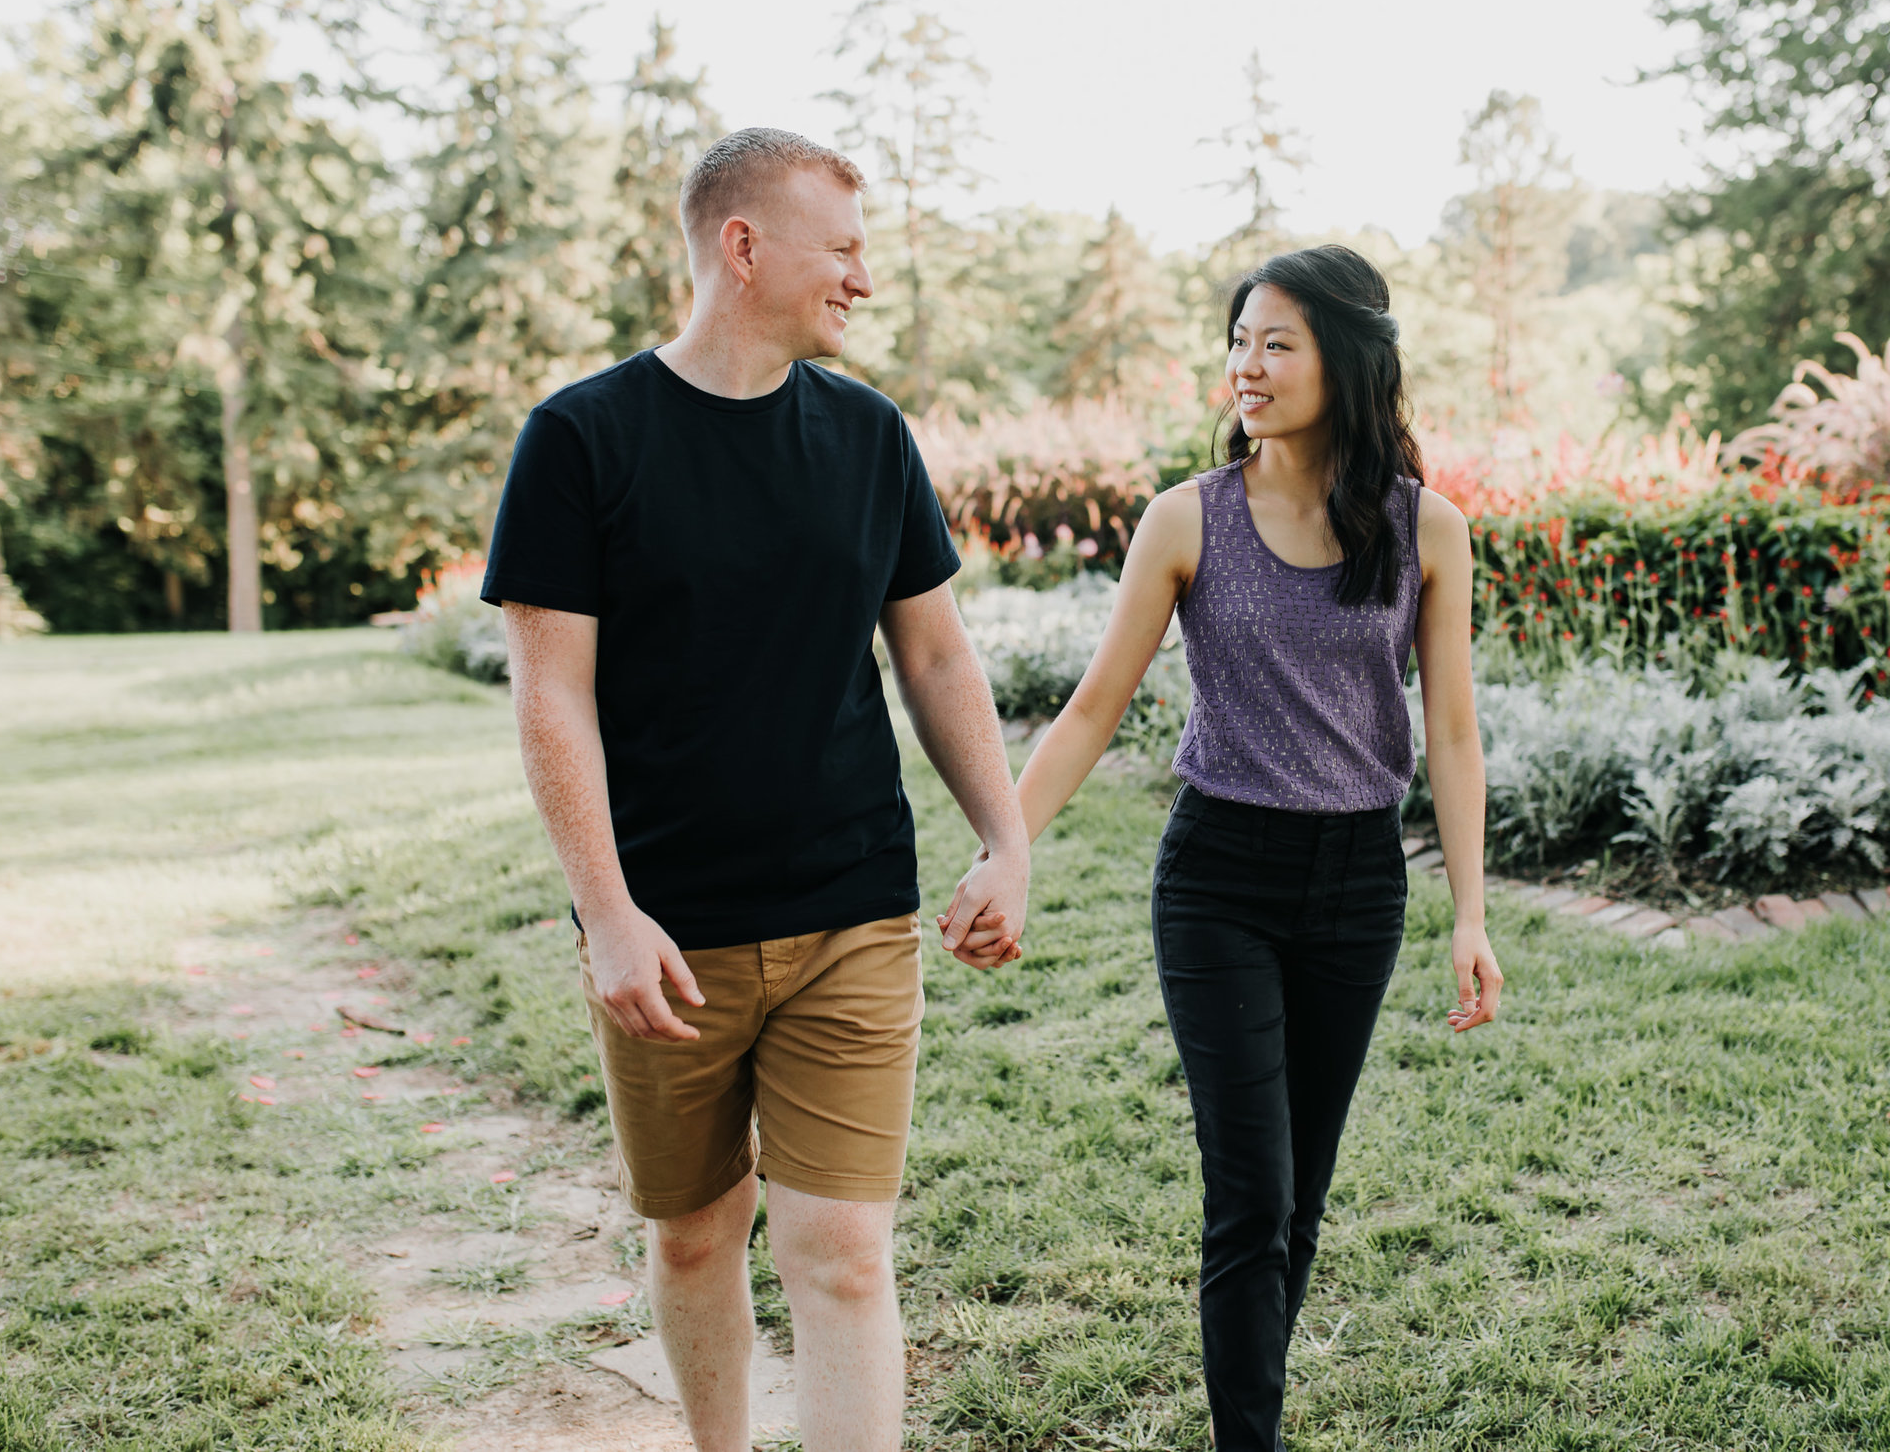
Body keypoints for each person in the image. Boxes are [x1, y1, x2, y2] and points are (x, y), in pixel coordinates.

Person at [485, 127, 1029, 1452]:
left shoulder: (867, 433)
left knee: (841, 1248)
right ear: (744, 246)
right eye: (840, 247)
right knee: (693, 1234)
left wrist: (1005, 836)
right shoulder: (581, 437)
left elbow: (935, 647)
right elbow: (550, 692)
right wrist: (606, 911)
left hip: (851, 905)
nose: (859, 276)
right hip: (667, 932)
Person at [950, 244, 1502, 1449]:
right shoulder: (1185, 519)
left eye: (1277, 343)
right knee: (1249, 1194)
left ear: (1347, 360)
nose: (1245, 366)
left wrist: (1469, 911)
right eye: (1239, 341)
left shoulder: (1428, 529)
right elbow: (1094, 704)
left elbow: (1451, 730)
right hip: (1219, 882)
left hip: (1359, 883)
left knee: (1296, 1196)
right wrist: (1008, 845)